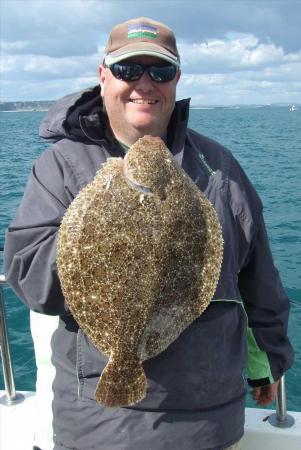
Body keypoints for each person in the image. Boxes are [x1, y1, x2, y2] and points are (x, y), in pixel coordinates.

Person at [4, 17, 294, 450]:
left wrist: (266, 363)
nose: (144, 83)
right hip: (100, 427)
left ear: (177, 79)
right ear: (103, 76)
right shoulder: (62, 167)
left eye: (160, 71)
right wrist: (105, 234)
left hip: (210, 420)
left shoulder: (218, 166)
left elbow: (258, 278)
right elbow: (30, 278)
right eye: (127, 70)